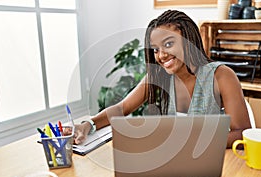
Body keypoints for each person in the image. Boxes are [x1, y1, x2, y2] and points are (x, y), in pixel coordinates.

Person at [73, 10, 251, 148]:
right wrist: (88, 124)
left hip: (216, 164)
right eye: (155, 49)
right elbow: (122, 108)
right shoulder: (159, 75)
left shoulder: (221, 76)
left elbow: (243, 133)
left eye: (168, 44)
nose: (161, 55)